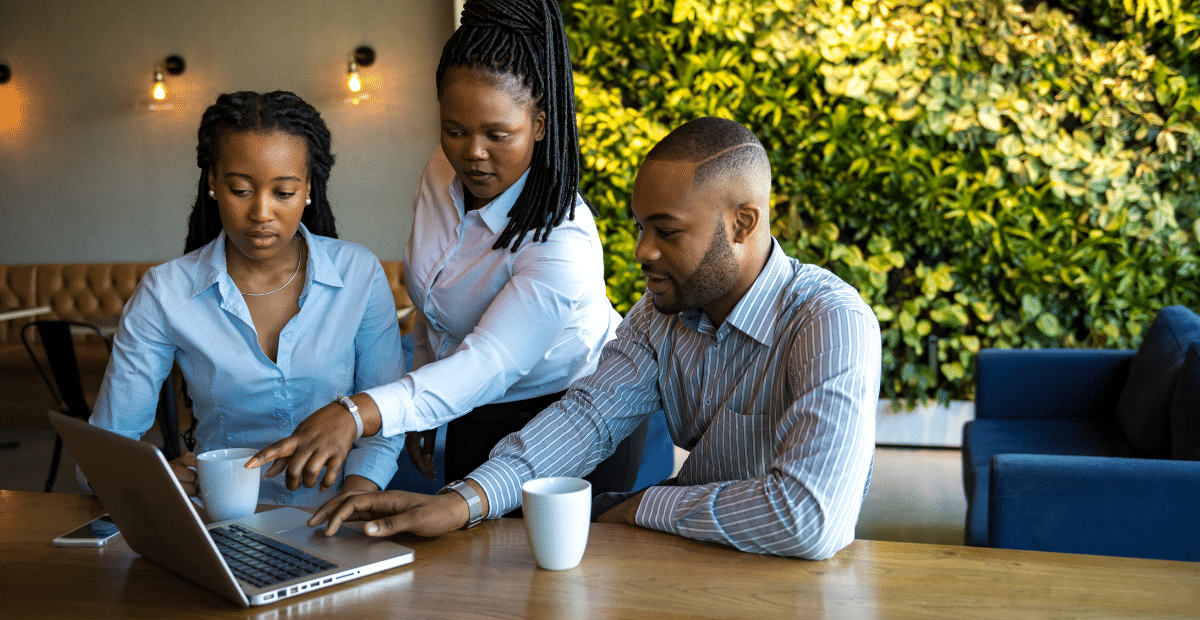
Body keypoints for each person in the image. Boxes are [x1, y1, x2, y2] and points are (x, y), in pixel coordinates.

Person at [305, 117, 882, 560]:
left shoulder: (831, 323)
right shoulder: (660, 318)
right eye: (639, 227)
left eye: (667, 231)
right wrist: (460, 504)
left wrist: (642, 505)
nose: (642, 252)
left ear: (744, 223)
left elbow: (809, 517)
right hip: (688, 562)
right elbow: (585, 420)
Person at [248, 0, 621, 496]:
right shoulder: (442, 171)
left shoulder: (561, 241)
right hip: (466, 400)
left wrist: (358, 413)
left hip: (562, 416)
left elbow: (488, 363)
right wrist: (421, 397)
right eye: (455, 130)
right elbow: (435, 313)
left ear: (541, 124)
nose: (473, 152)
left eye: (498, 134)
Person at [85, 90, 405, 507]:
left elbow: (384, 415)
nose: (261, 212)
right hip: (220, 518)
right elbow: (103, 450)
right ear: (214, 184)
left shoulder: (358, 274)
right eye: (240, 189)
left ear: (309, 188)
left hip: (337, 513)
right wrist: (158, 477)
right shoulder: (166, 292)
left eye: (284, 193)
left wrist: (353, 502)